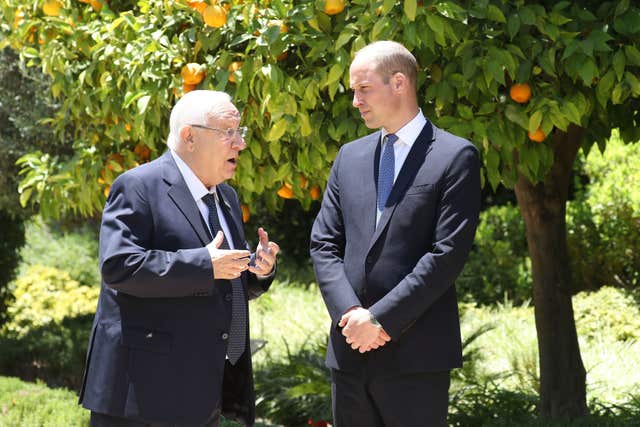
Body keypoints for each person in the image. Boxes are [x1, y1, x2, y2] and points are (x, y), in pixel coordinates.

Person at [79, 90, 280, 427]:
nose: (240, 144)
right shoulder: (138, 186)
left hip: (201, 392)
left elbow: (224, 279)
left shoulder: (226, 197)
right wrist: (205, 265)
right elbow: (119, 266)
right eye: (228, 132)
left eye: (239, 132)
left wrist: (258, 271)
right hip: (141, 396)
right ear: (190, 136)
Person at [310, 41, 481, 426]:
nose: (355, 101)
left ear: (399, 82)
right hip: (349, 351)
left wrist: (381, 320)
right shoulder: (348, 157)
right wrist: (352, 315)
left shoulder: (455, 157)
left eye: (363, 88)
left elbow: (446, 255)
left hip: (416, 358)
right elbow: (323, 244)